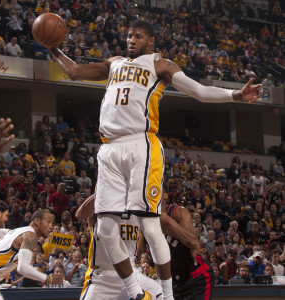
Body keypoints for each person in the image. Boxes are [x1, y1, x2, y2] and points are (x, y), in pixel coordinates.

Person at [46, 20, 261, 300]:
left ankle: (167, 295)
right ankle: (135, 292)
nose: (131, 40)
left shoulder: (160, 65)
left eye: (138, 36)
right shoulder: (114, 63)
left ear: (150, 42)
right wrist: (53, 49)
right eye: (128, 36)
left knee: (149, 223)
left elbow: (198, 91)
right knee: (107, 228)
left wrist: (235, 94)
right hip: (109, 147)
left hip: (140, 142)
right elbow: (74, 72)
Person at [76, 194, 161, 300]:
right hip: (103, 278)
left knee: (163, 296)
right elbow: (80, 214)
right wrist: (106, 188)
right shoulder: (100, 201)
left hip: (133, 273)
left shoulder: (139, 202)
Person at [0, 210, 62, 299]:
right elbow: (22, 268)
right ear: (37, 221)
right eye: (48, 222)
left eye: (52, 223)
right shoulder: (30, 236)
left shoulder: (17, 230)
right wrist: (48, 278)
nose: (51, 227)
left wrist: (6, 269)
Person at [161, 198, 215, 300]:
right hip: (175, 280)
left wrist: (165, 220)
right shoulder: (147, 219)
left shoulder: (177, 212)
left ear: (165, 195)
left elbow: (193, 243)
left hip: (196, 276)